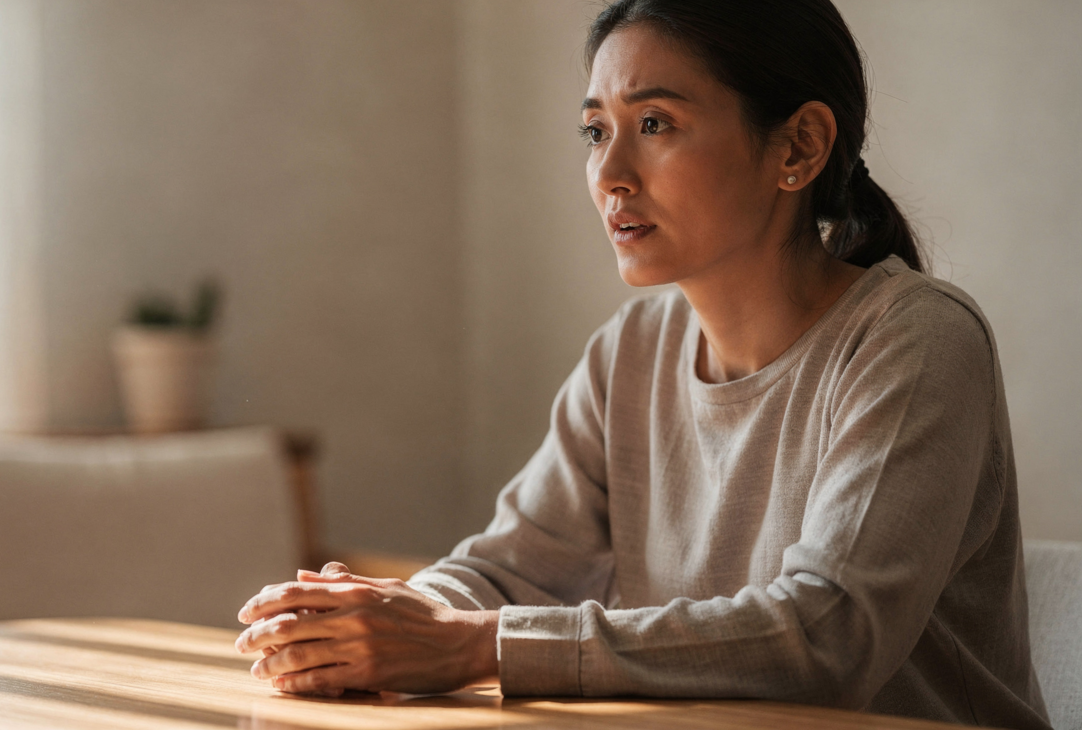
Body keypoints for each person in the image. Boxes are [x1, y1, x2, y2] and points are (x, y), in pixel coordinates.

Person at [234, 1, 1051, 726]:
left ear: (798, 146)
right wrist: (382, 618)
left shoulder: (915, 341)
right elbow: (513, 569)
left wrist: (467, 646)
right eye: (596, 131)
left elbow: (827, 635)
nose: (609, 175)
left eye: (654, 123)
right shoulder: (630, 352)